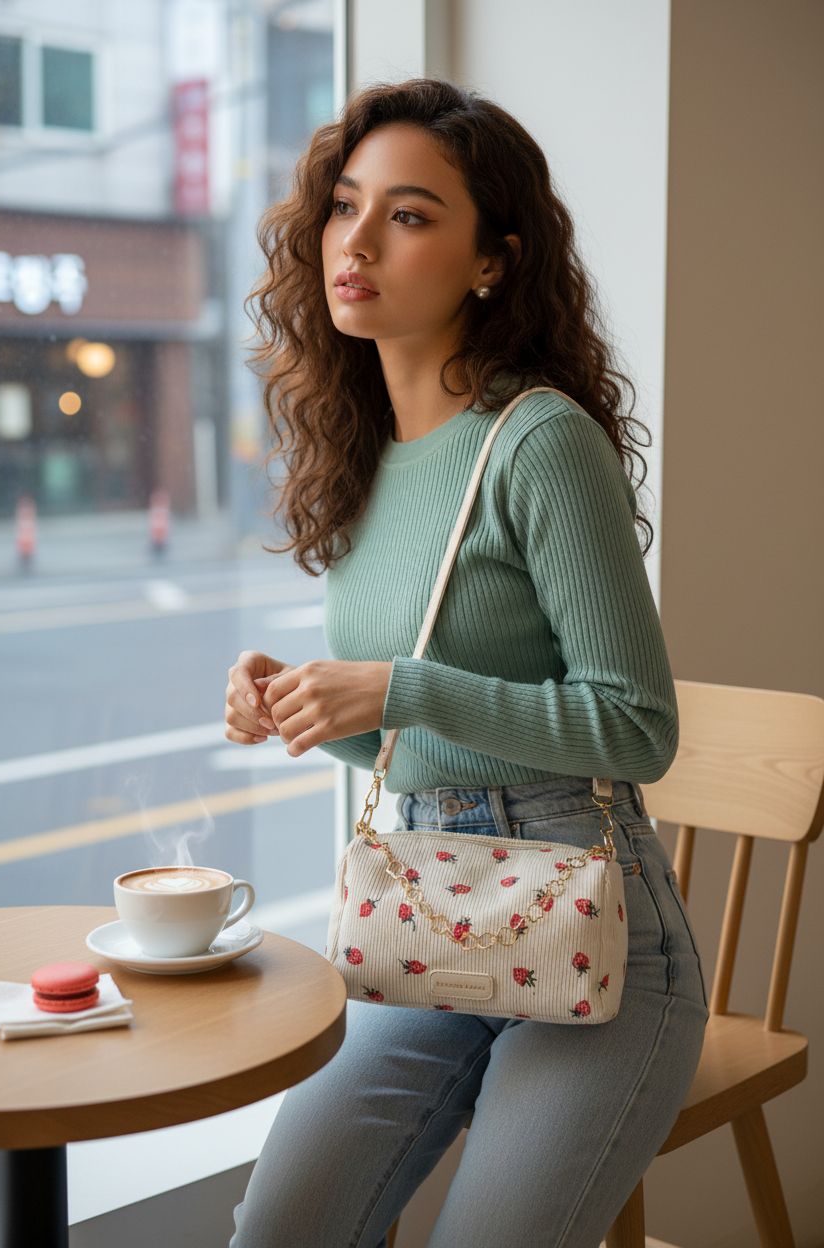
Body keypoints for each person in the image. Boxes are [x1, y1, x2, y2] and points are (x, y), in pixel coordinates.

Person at [224, 77, 709, 1248]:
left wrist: (397, 684)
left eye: (409, 214)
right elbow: (411, 735)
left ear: (492, 260)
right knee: (274, 1233)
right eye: (345, 207)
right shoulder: (360, 456)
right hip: (427, 912)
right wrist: (304, 705)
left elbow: (636, 729)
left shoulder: (539, 440)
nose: (356, 241)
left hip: (592, 924)